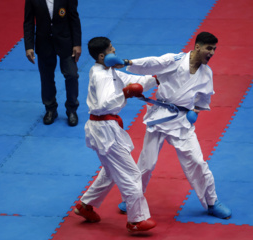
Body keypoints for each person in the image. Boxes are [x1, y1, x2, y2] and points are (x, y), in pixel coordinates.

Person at [119, 32, 232, 219]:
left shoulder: (206, 73)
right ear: (197, 47)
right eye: (209, 48)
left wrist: (195, 112)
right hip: (160, 117)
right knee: (146, 164)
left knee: (197, 162)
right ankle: (132, 198)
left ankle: (212, 202)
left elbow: (204, 97)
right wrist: (129, 63)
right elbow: (152, 63)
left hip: (182, 121)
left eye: (214, 49)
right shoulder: (175, 60)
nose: (212, 53)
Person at [74, 37, 157, 232]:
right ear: (102, 56)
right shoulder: (101, 76)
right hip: (104, 129)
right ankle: (136, 219)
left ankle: (85, 206)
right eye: (112, 49)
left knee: (111, 171)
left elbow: (133, 81)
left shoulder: (107, 70)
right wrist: (125, 94)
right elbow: (104, 104)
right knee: (131, 174)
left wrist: (158, 78)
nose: (115, 50)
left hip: (105, 127)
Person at [23, 0, 82, 126]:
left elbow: (74, 18)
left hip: (65, 42)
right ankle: (50, 109)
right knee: (46, 78)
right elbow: (28, 22)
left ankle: (72, 109)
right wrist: (29, 46)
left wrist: (77, 44)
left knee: (72, 75)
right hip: (43, 43)